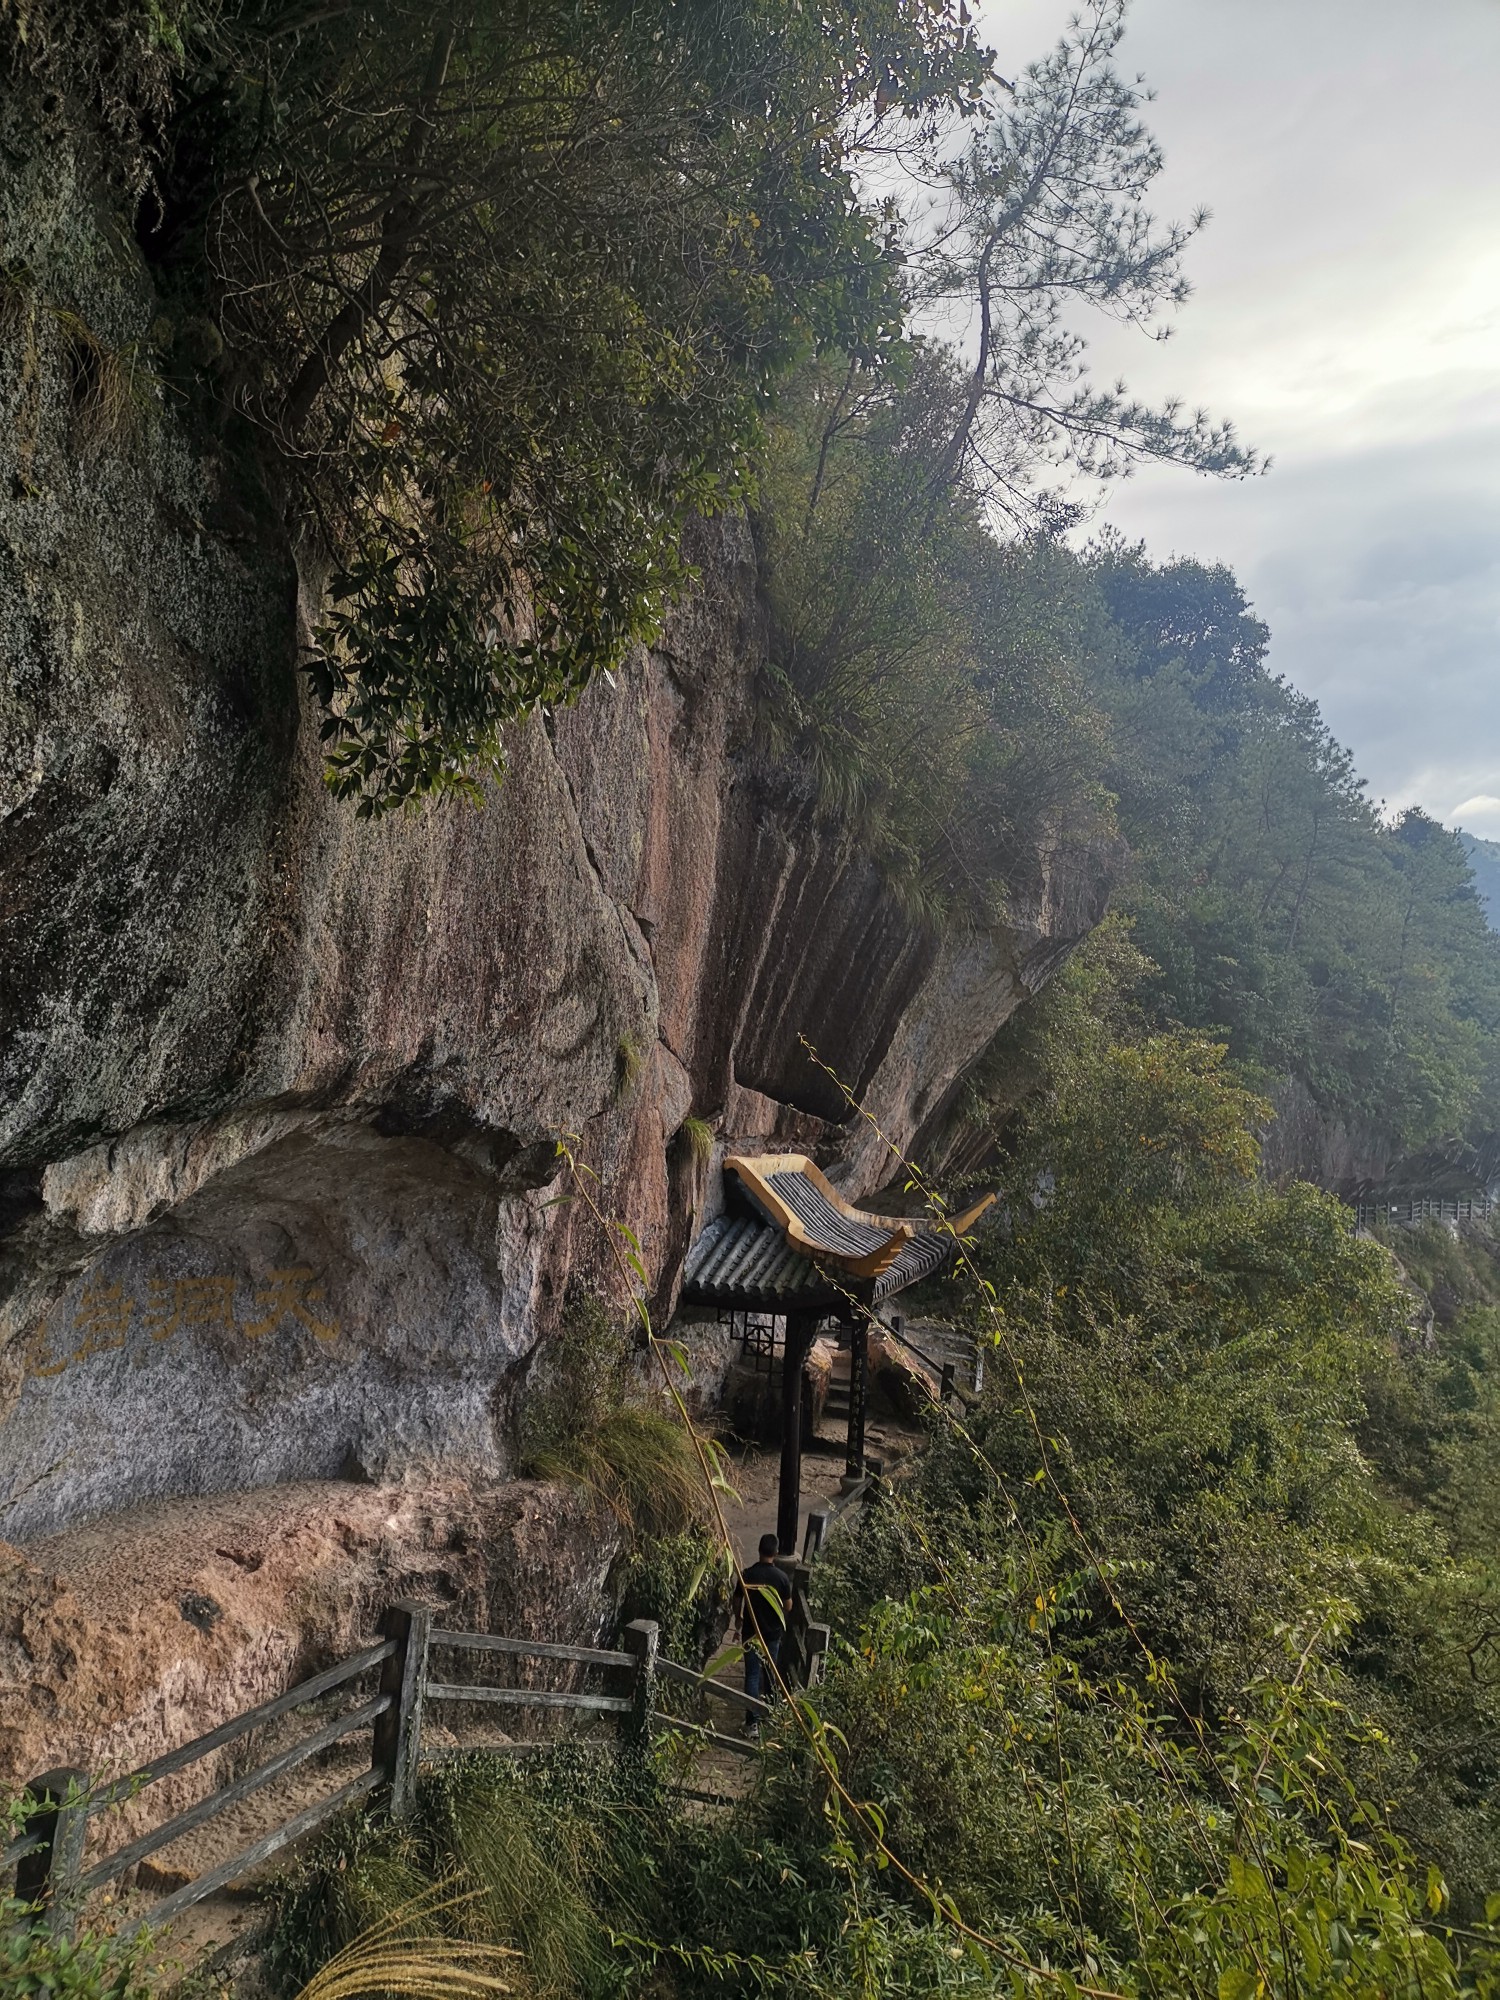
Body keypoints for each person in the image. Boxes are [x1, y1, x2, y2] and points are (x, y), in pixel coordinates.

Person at [735, 1532, 792, 1730]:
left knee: (751, 1675)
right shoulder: (782, 1578)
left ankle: (752, 1723)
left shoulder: (747, 1575)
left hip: (751, 1632)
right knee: (770, 1673)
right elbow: (788, 1606)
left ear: (759, 1550)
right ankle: (772, 1719)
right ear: (776, 1553)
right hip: (772, 1635)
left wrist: (738, 1620)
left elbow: (737, 1600)